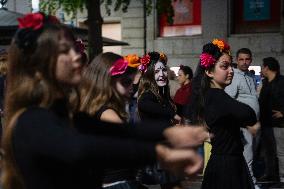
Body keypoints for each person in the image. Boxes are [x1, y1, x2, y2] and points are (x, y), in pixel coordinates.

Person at [1, 12, 209, 189]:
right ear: (39, 65)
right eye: (64, 51)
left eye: (73, 47)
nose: (76, 56)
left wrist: (168, 133)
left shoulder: (63, 114)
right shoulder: (31, 119)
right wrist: (159, 152)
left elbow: (122, 131)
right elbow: (80, 148)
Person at [191, 39, 257, 189]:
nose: (231, 70)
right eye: (224, 66)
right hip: (227, 168)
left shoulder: (211, 95)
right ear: (208, 71)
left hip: (224, 163)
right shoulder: (217, 96)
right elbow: (250, 115)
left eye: (231, 66)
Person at [79, 52, 141, 189]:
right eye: (126, 82)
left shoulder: (91, 108)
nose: (131, 87)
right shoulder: (107, 113)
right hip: (118, 183)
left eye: (131, 81)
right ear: (106, 82)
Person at [137, 52, 182, 187]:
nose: (161, 74)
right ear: (150, 75)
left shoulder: (163, 95)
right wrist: (172, 115)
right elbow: (144, 104)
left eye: (163, 70)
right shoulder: (147, 95)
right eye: (156, 71)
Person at [224, 48, 260, 188]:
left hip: (253, 125)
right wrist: (242, 123)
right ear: (236, 60)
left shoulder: (251, 77)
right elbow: (230, 101)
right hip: (244, 126)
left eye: (247, 59)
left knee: (250, 156)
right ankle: (252, 184)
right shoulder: (234, 77)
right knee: (248, 156)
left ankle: (246, 183)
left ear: (251, 60)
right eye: (241, 59)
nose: (244, 62)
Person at [259, 57, 284, 187]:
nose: (262, 70)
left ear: (267, 68)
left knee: (281, 152)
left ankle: (282, 178)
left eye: (263, 67)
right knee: (268, 152)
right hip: (266, 123)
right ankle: (270, 174)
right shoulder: (265, 83)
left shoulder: (282, 81)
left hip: (279, 124)